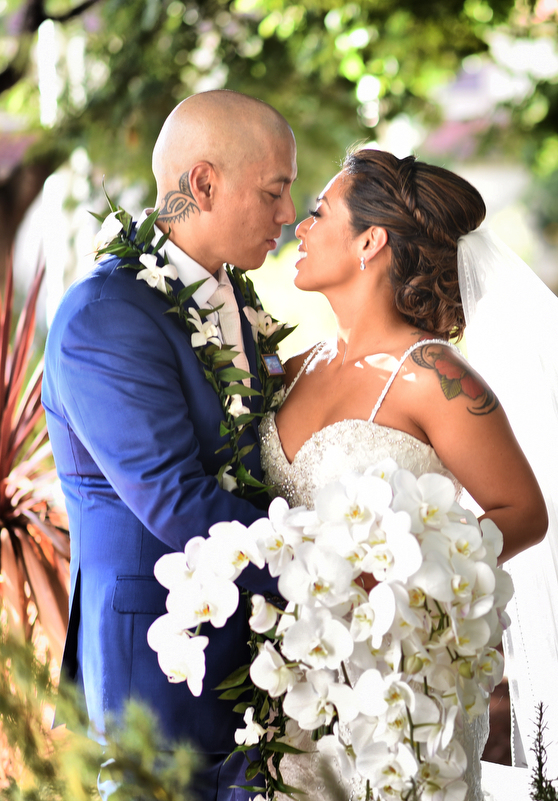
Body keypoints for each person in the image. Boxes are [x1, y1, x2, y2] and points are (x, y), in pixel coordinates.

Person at [267, 149, 558, 800]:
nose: (300, 226)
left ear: (370, 241)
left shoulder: (435, 377)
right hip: (287, 675)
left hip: (394, 684)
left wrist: (406, 585)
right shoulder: (291, 368)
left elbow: (521, 509)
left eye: (319, 212)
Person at [43, 90, 296, 800]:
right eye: (274, 190)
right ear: (205, 183)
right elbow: (177, 500)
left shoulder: (231, 296)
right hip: (154, 670)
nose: (287, 214)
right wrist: (327, 569)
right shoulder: (105, 315)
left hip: (248, 657)